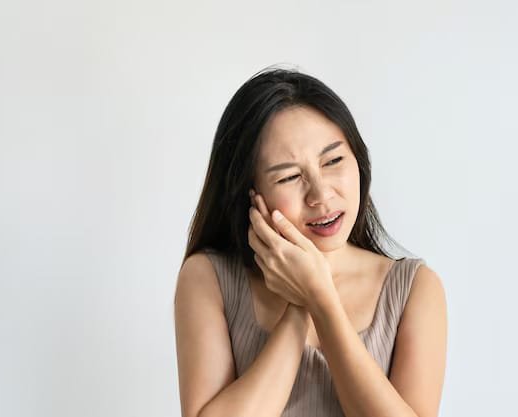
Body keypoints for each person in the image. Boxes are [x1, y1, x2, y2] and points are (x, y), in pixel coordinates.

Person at [174, 66, 447, 417]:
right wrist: (298, 307)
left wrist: (320, 296)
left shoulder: (415, 288)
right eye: (289, 176)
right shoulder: (207, 277)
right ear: (250, 195)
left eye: (333, 160)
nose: (321, 194)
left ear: (359, 161)